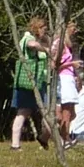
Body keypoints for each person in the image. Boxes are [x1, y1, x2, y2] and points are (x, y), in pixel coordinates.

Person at [11, 16, 51, 151]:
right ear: (36, 28)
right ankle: (15, 144)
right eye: (43, 29)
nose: (45, 31)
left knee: (47, 111)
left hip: (39, 82)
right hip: (27, 82)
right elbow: (32, 45)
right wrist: (46, 49)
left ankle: (45, 138)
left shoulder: (41, 40)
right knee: (23, 112)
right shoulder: (28, 38)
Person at [53, 22, 82, 145]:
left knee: (72, 113)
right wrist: (72, 64)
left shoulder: (66, 45)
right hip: (63, 79)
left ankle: (64, 136)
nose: (75, 31)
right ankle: (64, 139)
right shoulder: (59, 44)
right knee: (66, 111)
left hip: (69, 78)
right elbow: (54, 65)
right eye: (73, 28)